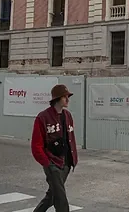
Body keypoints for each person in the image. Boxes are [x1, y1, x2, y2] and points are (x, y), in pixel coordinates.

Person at [30, 84, 79, 212]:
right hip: (52, 163)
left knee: (53, 195)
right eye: (65, 97)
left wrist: (73, 159)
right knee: (61, 199)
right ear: (57, 99)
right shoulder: (43, 117)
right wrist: (47, 163)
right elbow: (36, 145)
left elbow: (71, 139)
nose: (68, 100)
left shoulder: (67, 115)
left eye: (68, 97)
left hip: (66, 163)